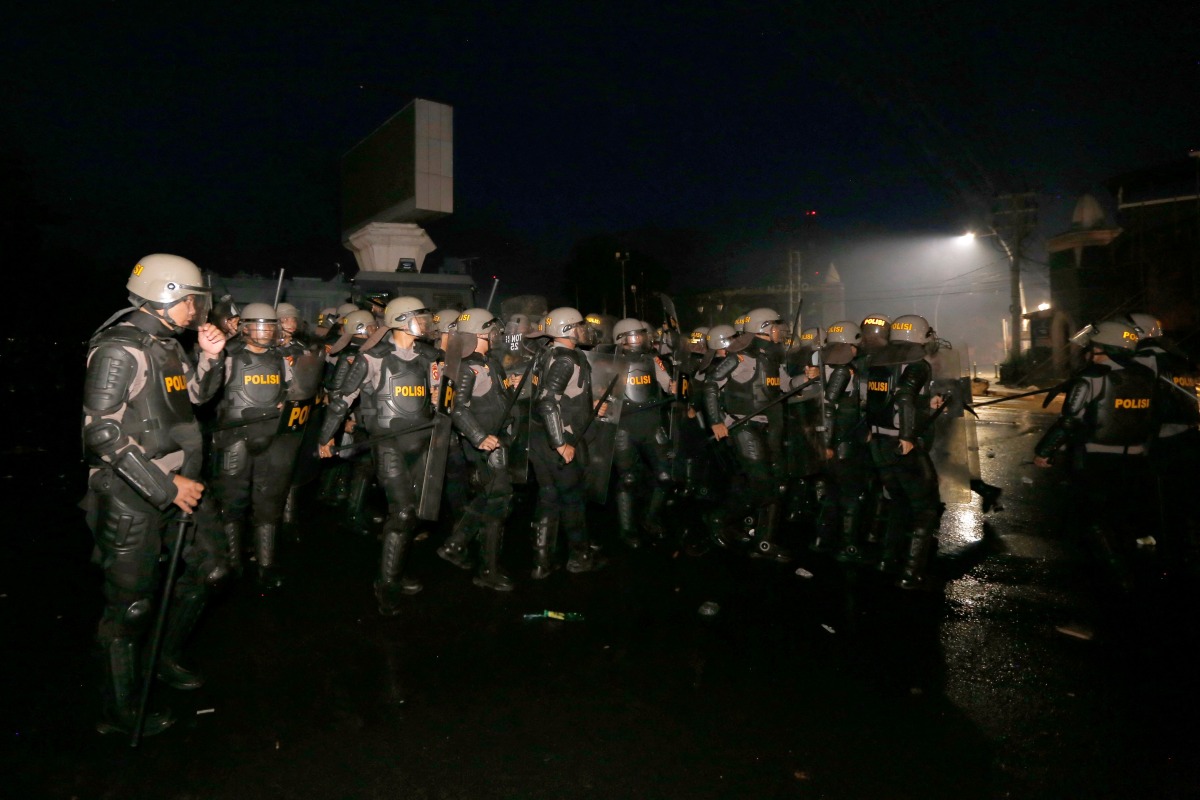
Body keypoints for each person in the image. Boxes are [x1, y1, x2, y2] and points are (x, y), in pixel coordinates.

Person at [81, 253, 226, 736]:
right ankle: (120, 711)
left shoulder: (166, 344)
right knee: (131, 607)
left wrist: (211, 357)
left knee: (211, 570)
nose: (197, 310)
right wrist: (166, 486)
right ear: (164, 296)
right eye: (191, 301)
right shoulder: (119, 349)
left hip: (182, 482)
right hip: (131, 493)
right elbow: (101, 435)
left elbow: (196, 397)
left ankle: (162, 658)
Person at [317, 297, 441, 615]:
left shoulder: (430, 357)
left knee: (415, 514)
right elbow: (342, 399)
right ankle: (387, 584)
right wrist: (326, 436)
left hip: (422, 442)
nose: (424, 324)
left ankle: (395, 569)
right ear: (400, 320)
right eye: (418, 318)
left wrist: (441, 399)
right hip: (388, 444)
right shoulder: (372, 358)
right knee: (403, 514)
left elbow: (441, 398)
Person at [1035, 319, 1159, 590]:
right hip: (1135, 459)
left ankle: (1117, 578)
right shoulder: (1146, 376)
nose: (1090, 354)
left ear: (1108, 349)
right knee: (1121, 516)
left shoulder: (1091, 379)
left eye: (1094, 348)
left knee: (1091, 519)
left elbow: (1069, 421)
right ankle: (1134, 570)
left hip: (1095, 459)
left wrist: (1044, 451)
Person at [702, 308, 808, 561]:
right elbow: (711, 384)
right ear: (763, 329)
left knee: (777, 484)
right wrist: (716, 421)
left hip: (770, 426)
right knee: (762, 483)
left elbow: (787, 387)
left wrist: (806, 377)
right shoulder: (740, 358)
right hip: (745, 426)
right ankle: (719, 518)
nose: (780, 331)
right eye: (776, 326)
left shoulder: (772, 359)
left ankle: (764, 542)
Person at [211, 303, 294, 589]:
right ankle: (233, 563)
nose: (266, 331)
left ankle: (266, 565)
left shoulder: (281, 358)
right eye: (260, 326)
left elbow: (290, 390)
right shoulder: (227, 355)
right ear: (245, 327)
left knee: (268, 504)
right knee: (232, 504)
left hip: (270, 437)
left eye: (270, 326)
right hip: (234, 438)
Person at [440, 308, 516, 590]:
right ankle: (488, 570)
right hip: (485, 445)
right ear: (480, 333)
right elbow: (456, 407)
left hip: (497, 440)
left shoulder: (489, 363)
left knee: (486, 498)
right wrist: (478, 436)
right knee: (499, 503)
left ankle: (455, 545)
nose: (498, 334)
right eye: (492, 329)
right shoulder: (467, 367)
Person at [864, 315, 943, 588]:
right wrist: (907, 436)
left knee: (898, 503)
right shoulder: (917, 364)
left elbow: (877, 399)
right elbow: (905, 396)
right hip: (900, 444)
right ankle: (911, 572)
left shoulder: (878, 360)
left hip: (878, 440)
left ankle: (887, 561)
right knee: (925, 507)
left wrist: (926, 403)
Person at [528, 307, 607, 576]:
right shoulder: (565, 360)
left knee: (548, 496)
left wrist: (590, 404)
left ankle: (541, 561)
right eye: (578, 325)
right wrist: (560, 443)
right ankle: (579, 556)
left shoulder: (547, 352)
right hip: (558, 436)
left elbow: (564, 395)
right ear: (565, 330)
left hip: (539, 437)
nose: (583, 330)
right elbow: (548, 401)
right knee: (572, 498)